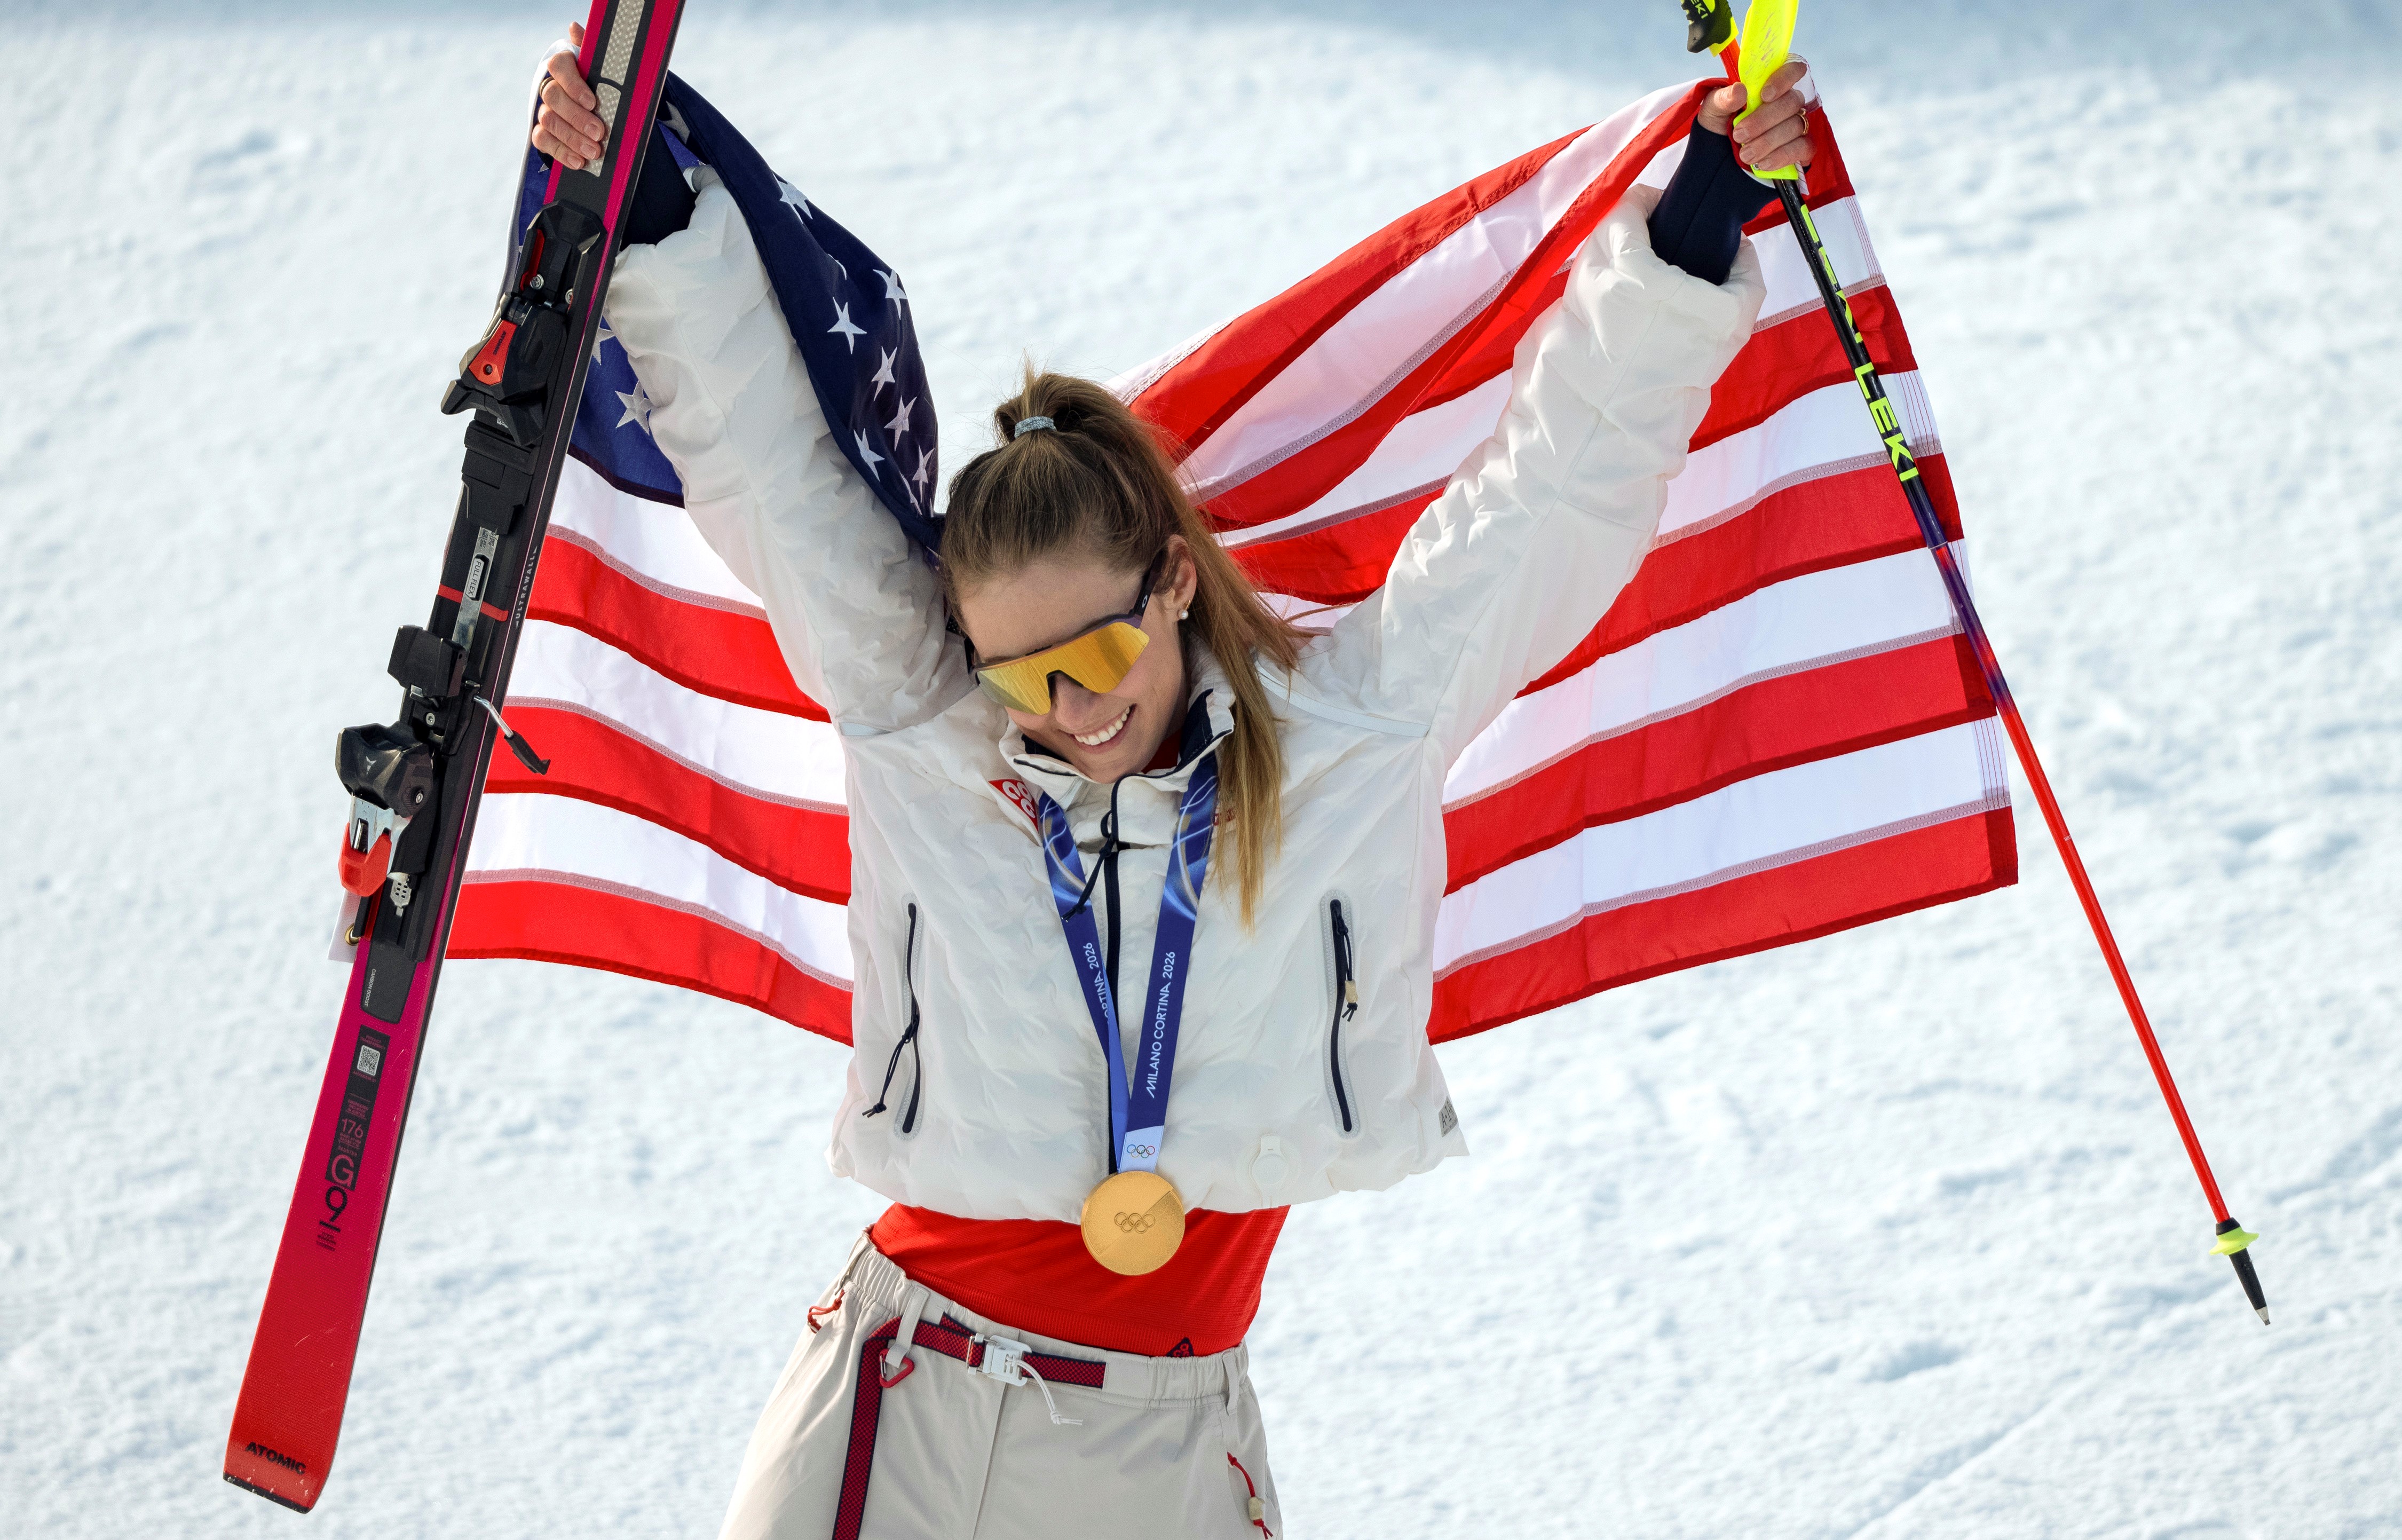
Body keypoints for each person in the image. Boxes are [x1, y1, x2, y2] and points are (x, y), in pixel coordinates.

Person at [534, 27, 1812, 1538]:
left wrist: (1696, 224)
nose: (1064, 709)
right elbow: (768, 476)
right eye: (1014, 671)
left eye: (1092, 650)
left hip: (1169, 1444)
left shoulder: (1358, 735)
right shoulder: (919, 732)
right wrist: (649, 209)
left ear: (1170, 584)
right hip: (904, 1416)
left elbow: (1550, 493)